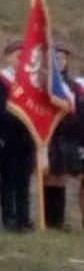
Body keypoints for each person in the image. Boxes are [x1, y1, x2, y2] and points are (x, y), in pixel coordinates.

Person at [0, 39, 33, 231]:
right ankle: (9, 217)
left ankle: (23, 217)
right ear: (8, 58)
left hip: (27, 138)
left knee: (24, 180)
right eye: (17, 57)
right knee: (8, 179)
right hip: (7, 138)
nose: (20, 61)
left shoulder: (31, 83)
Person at [45, 43, 80, 229]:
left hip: (67, 137)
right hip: (49, 136)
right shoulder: (45, 84)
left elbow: (78, 112)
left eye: (63, 58)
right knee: (48, 177)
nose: (60, 62)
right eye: (56, 58)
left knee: (61, 178)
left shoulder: (73, 86)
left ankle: (57, 221)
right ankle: (47, 219)